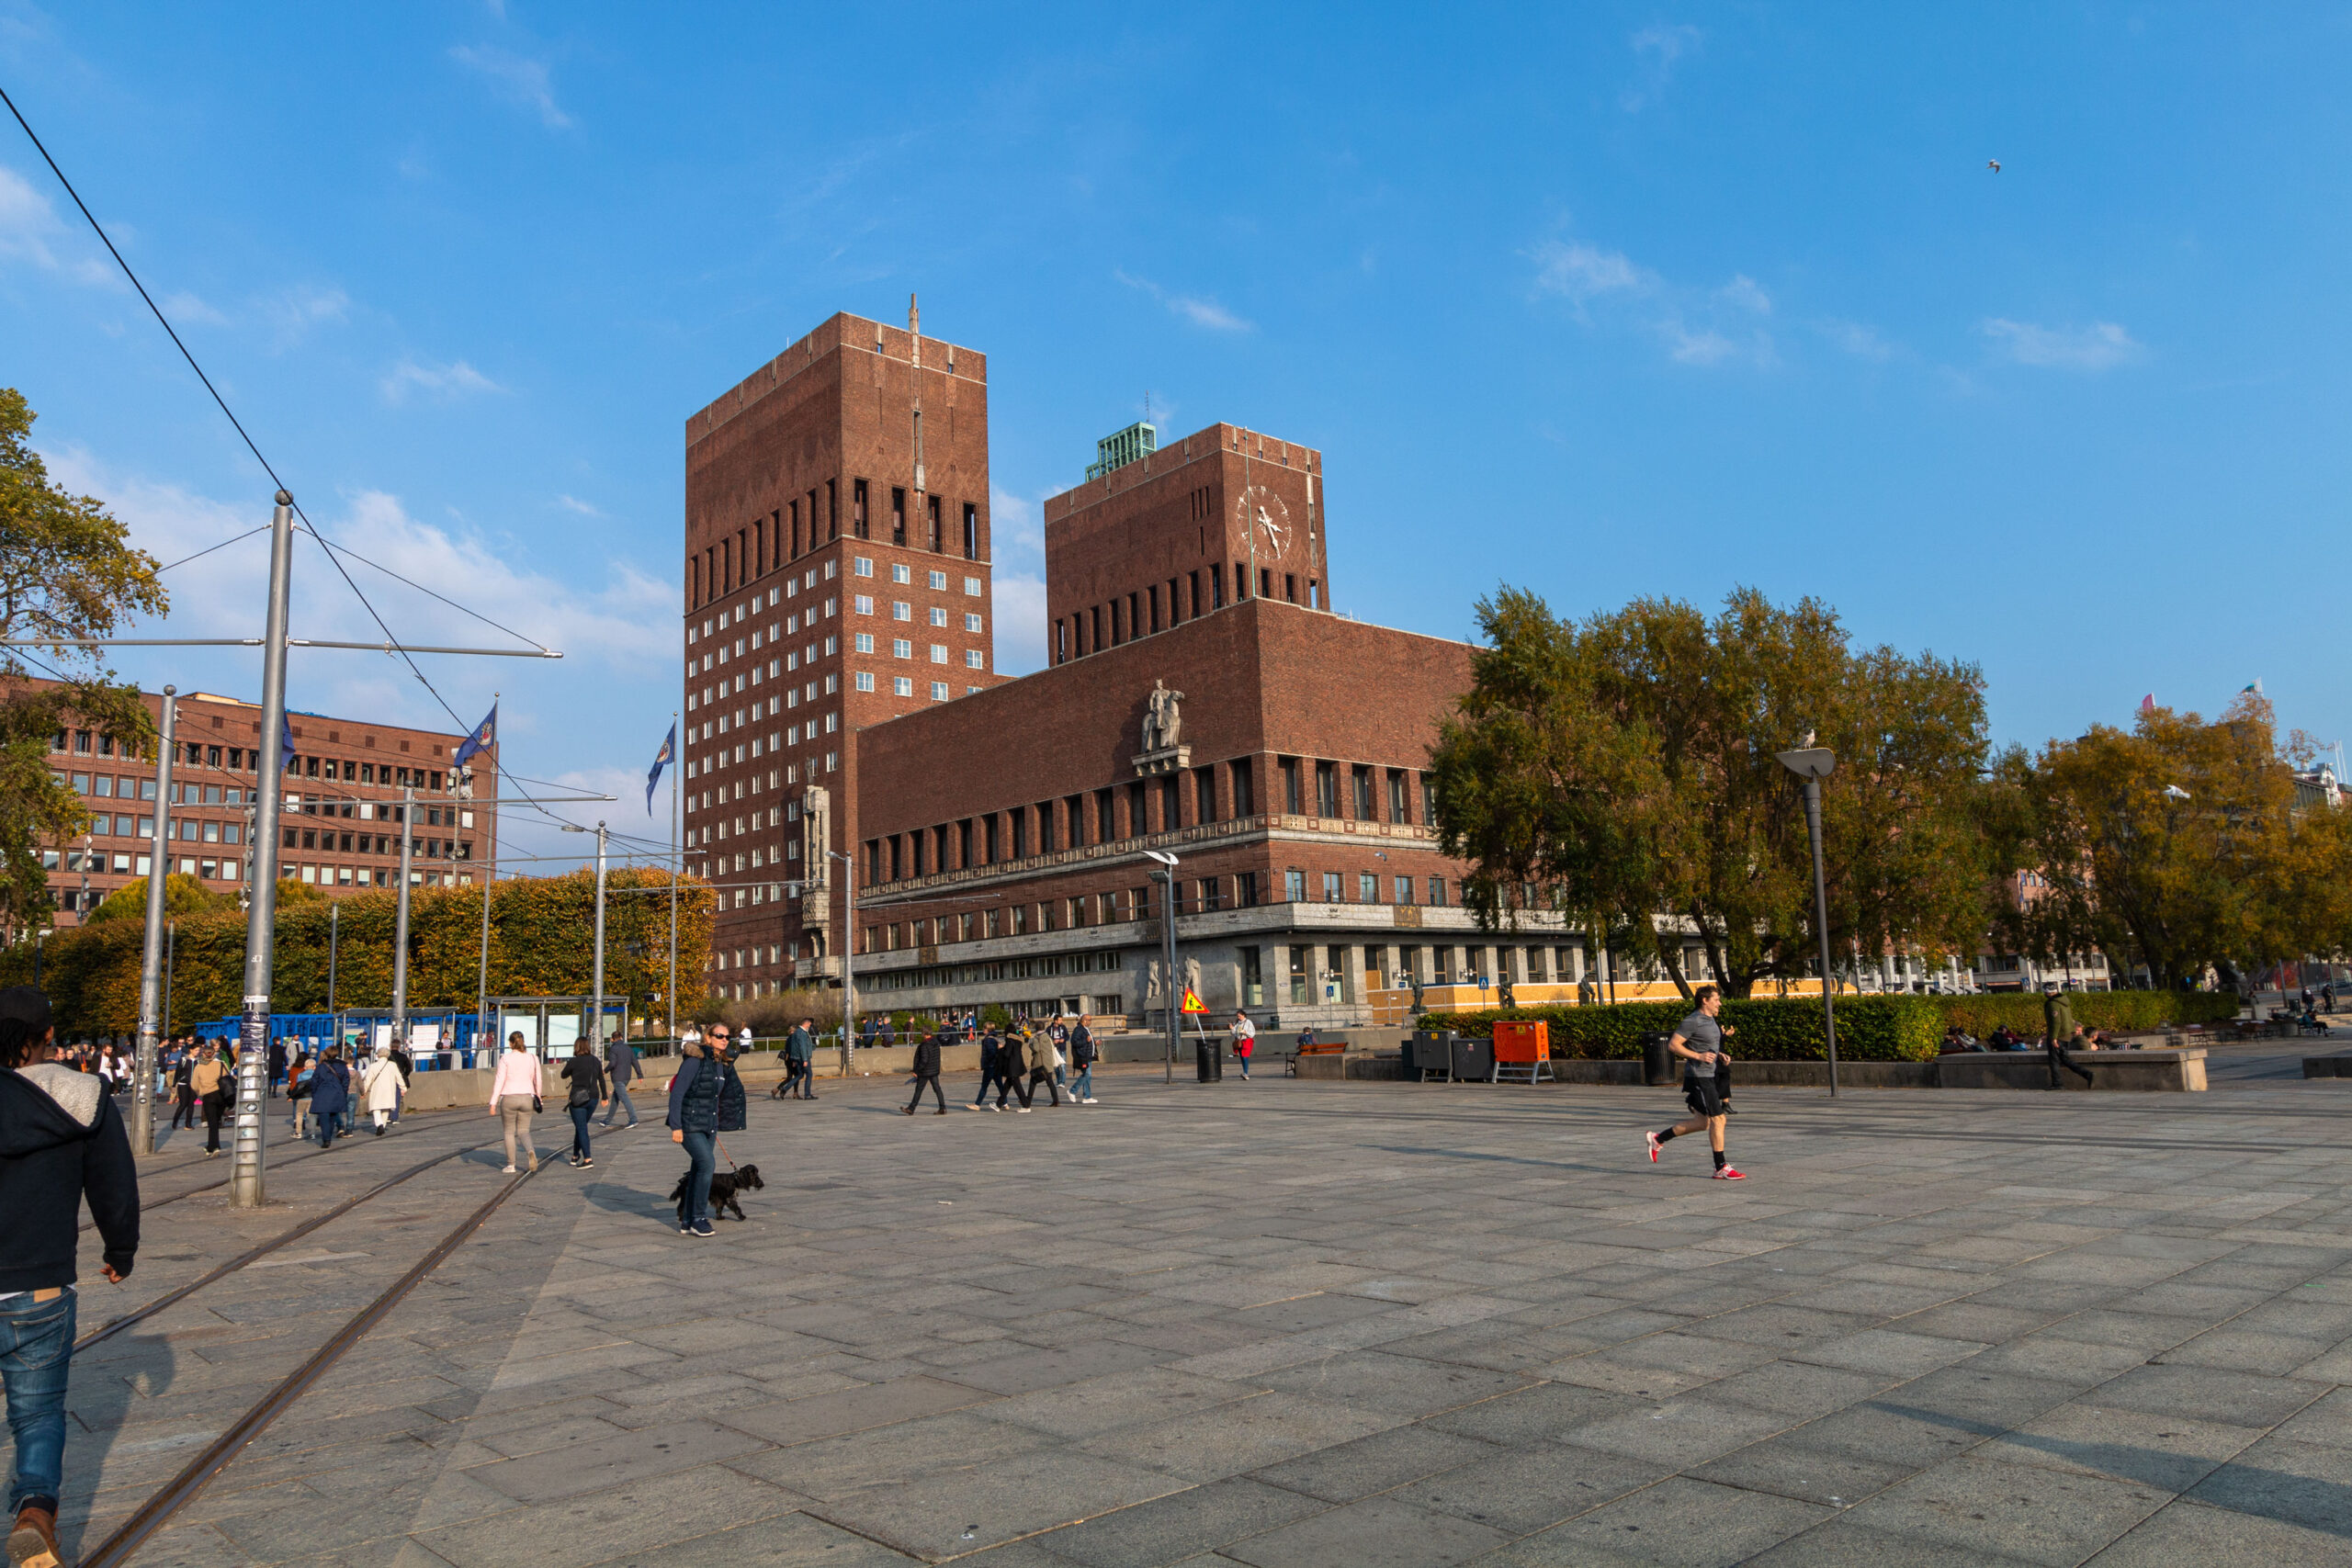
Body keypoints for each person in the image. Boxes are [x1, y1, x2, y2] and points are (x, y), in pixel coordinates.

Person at [0, 985, 138, 1568]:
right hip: (41, 1286)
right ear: (48, 1037)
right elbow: (114, 1182)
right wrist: (120, 1249)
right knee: (36, 1412)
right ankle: (35, 1512)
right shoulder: (83, 1095)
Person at [1645, 985, 1744, 1179]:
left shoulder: (1710, 1020)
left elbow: (1706, 1045)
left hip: (1710, 1074)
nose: (1720, 1003)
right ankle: (1720, 1167)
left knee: (1702, 1123)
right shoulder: (1692, 1021)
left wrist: (1719, 1055)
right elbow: (1673, 1045)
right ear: (1705, 1001)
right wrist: (1698, 1056)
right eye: (1716, 999)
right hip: (1699, 1077)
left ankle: (1658, 1138)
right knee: (1719, 1118)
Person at [667, 1026, 745, 1236]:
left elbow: (721, 1097)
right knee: (707, 1164)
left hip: (708, 1126)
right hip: (689, 1124)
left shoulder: (720, 1064)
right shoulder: (694, 1061)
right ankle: (699, 1218)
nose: (724, 1039)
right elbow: (677, 1093)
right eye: (719, 1036)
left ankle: (688, 1219)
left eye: (728, 1036)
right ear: (708, 1038)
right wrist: (676, 1126)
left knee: (698, 1172)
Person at [489, 1031, 542, 1174]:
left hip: (509, 1098)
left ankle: (511, 1165)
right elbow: (538, 1079)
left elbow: (499, 1081)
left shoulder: (505, 1059)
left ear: (510, 1043)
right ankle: (530, 1151)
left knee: (509, 1132)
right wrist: (538, 1097)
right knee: (524, 1130)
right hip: (527, 1097)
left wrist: (493, 1102)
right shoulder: (532, 1058)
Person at [562, 1041, 607, 1168]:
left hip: (578, 1099)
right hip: (593, 1098)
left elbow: (563, 1075)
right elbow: (601, 1079)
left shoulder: (574, 1061)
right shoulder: (595, 1061)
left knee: (581, 1128)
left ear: (576, 1047)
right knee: (581, 1126)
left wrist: (572, 1069)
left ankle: (587, 1158)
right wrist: (605, 1096)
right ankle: (576, 1155)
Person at [2044, 983, 2092, 1089]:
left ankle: (2057, 1084)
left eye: (2045, 992)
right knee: (2064, 1059)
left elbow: (2056, 1022)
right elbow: (2068, 1019)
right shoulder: (2064, 1001)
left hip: (2059, 1035)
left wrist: (2054, 1037)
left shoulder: (2053, 1004)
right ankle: (2086, 1074)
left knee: (2054, 1060)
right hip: (2066, 1034)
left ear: (2048, 992)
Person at [190, 1043, 229, 1156]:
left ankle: (214, 1146)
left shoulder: (199, 1067)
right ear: (214, 1054)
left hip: (208, 1095)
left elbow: (194, 1084)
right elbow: (227, 1077)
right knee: (216, 1121)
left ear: (203, 1054)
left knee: (212, 1123)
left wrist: (199, 1092)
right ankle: (212, 1146)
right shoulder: (221, 1064)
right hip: (221, 1095)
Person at [309, 1046, 351, 1148]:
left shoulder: (321, 1066)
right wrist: (343, 1093)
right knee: (332, 1116)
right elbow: (346, 1081)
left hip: (322, 1093)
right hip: (337, 1093)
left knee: (324, 1117)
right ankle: (328, 1137)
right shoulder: (342, 1066)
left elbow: (314, 1081)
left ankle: (326, 1139)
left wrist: (315, 1094)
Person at [1017, 1024, 1062, 1110]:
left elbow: (1036, 1049)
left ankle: (1028, 1101)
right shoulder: (1048, 1037)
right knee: (1050, 1082)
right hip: (1048, 1063)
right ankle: (1056, 1101)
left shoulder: (1037, 1038)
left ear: (1036, 1029)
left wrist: (1030, 1044)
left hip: (1040, 1064)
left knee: (1033, 1082)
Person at [359, 1046, 402, 1135]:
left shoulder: (373, 1066)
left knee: (376, 1108)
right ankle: (383, 1125)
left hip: (377, 1090)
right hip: (389, 1090)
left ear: (378, 1055)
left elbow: (368, 1080)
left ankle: (379, 1125)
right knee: (386, 1108)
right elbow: (399, 1077)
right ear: (388, 1055)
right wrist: (403, 1088)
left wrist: (364, 1090)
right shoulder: (392, 1065)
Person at [602, 1033, 641, 1126]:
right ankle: (607, 1120)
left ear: (612, 1039)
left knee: (624, 1098)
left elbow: (612, 1063)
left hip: (617, 1077)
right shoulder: (628, 1048)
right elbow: (635, 1061)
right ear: (621, 1038)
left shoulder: (613, 1049)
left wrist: (605, 1071)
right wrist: (640, 1074)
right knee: (615, 1098)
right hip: (627, 1077)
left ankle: (633, 1119)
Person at [903, 1031, 947, 1115]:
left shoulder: (924, 1045)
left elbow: (924, 1060)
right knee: (937, 1089)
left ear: (924, 1034)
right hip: (933, 1070)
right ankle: (942, 1108)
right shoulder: (936, 1042)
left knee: (919, 1090)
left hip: (925, 1071)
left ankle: (911, 1108)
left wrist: (916, 1071)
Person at [967, 1025, 1006, 1111]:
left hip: (990, 1066)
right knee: (1000, 1085)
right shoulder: (995, 1038)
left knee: (984, 1086)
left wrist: (986, 1063)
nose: (983, 1029)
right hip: (996, 1065)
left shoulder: (988, 1040)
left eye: (984, 1028)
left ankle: (977, 1104)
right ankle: (1005, 1103)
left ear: (988, 1030)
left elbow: (991, 1053)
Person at [775, 1017, 815, 1100]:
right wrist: (805, 1059)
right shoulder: (802, 1033)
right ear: (806, 1023)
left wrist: (794, 1059)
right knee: (809, 1074)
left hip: (796, 1058)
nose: (810, 1026)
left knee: (799, 1075)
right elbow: (802, 1047)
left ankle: (785, 1088)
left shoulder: (795, 1033)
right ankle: (807, 1094)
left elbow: (793, 1047)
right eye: (809, 1025)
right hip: (803, 1057)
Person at [168, 1042, 198, 1133]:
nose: (197, 1052)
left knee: (191, 1104)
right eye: (196, 1050)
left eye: (199, 1050)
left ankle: (188, 1124)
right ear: (191, 1050)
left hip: (194, 1084)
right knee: (183, 1104)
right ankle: (175, 1121)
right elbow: (178, 1072)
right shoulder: (184, 1059)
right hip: (183, 1084)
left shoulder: (198, 1061)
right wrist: (174, 1084)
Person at [1069, 1014, 1099, 1103]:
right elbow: (1074, 1042)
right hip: (1083, 1056)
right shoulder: (1078, 1029)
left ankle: (1087, 1097)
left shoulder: (1085, 1029)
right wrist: (1086, 1041)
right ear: (1084, 1020)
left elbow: (1088, 1040)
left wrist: (1094, 1042)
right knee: (1087, 1074)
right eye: (1090, 1020)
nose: (1091, 1022)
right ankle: (1072, 1091)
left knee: (1088, 1076)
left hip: (1088, 1055)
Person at [287, 1051, 313, 1134]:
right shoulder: (304, 1069)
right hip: (304, 1091)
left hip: (294, 1089)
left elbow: (290, 1078)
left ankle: (296, 1121)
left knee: (296, 1107)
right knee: (305, 1109)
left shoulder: (293, 1067)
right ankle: (303, 1121)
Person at [1230, 1010, 1256, 1080]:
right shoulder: (1238, 1023)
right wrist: (1232, 1029)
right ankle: (1245, 1073)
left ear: (1243, 1015)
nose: (1238, 1017)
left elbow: (1253, 1033)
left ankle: (1246, 1073)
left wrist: (1245, 1032)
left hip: (1247, 1041)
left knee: (1245, 1057)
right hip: (1240, 1042)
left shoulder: (1248, 1022)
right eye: (1237, 1016)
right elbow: (1234, 1033)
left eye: (1239, 1016)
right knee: (1242, 1057)